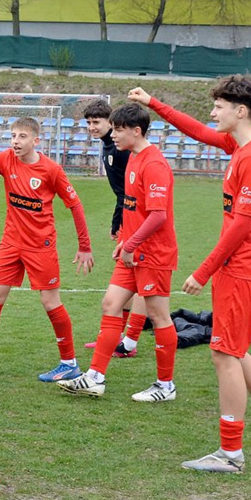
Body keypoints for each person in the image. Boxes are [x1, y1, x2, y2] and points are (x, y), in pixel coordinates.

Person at [132, 80, 251, 473]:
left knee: (224, 355)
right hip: (241, 267)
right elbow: (199, 131)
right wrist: (154, 103)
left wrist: (203, 271)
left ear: (240, 111)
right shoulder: (245, 145)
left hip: (242, 268)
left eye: (218, 106)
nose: (212, 113)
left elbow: (242, 226)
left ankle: (231, 453)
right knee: (235, 351)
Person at [59, 102, 180, 402]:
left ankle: (166, 386)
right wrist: (124, 240)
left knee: (159, 316)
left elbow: (158, 216)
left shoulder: (154, 164)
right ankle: (95, 377)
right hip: (132, 250)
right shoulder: (133, 158)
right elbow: (130, 206)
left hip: (154, 253)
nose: (113, 135)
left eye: (119, 130)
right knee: (111, 304)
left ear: (136, 131)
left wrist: (131, 243)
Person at [0, 116, 94, 382]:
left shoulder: (51, 170)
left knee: (50, 301)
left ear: (36, 140)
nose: (15, 141)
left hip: (41, 246)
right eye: (13, 136)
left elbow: (75, 205)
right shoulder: (5, 159)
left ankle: (69, 363)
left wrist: (85, 246)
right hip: (11, 243)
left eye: (22, 136)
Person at [81, 99, 147, 357]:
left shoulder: (120, 149)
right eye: (88, 122)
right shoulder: (109, 146)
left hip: (136, 220)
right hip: (126, 217)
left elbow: (131, 191)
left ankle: (129, 341)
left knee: (141, 281)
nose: (91, 127)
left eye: (96, 122)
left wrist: (120, 221)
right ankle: (117, 338)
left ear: (110, 122)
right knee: (129, 278)